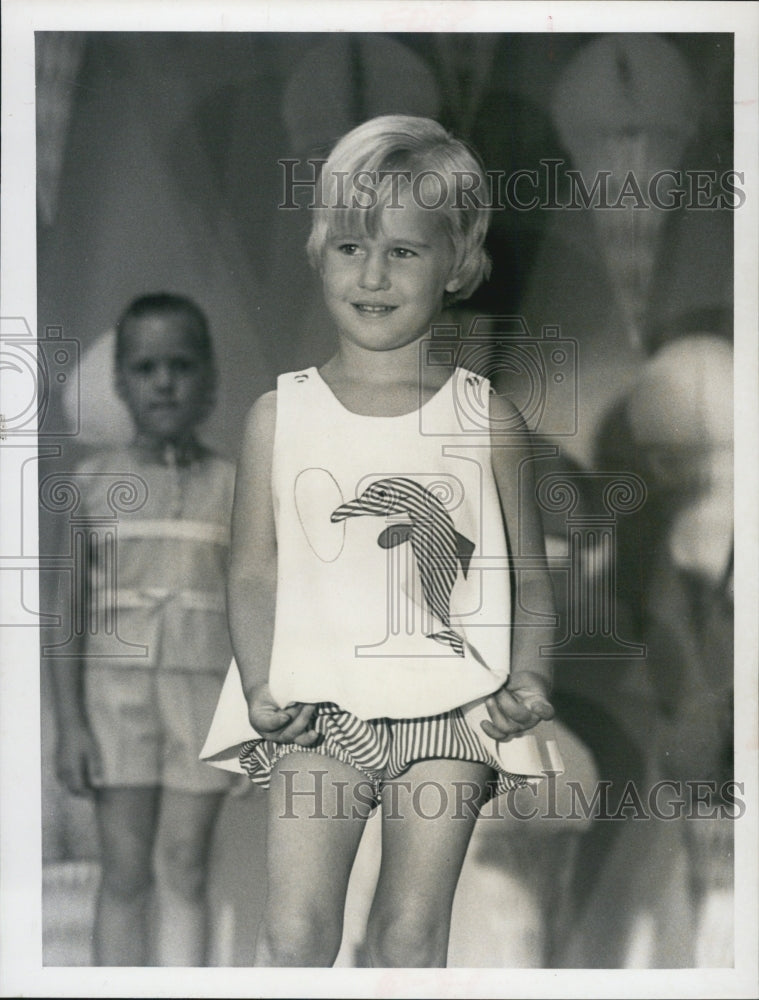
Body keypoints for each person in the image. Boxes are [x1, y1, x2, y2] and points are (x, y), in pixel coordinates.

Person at [202, 115, 561, 968]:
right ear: (320, 251)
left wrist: (532, 676)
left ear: (457, 266)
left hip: (452, 711)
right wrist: (259, 684)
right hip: (316, 714)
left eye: (403, 251)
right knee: (293, 936)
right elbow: (253, 573)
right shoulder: (277, 414)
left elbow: (531, 586)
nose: (372, 273)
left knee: (408, 935)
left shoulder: (486, 419)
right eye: (350, 247)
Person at [50, 293, 236, 966]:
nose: (164, 381)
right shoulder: (91, 485)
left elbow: (255, 610)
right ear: (121, 382)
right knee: (125, 874)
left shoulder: (235, 486)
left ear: (210, 378)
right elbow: (66, 618)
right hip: (115, 705)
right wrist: (70, 726)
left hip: (204, 701)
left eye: (182, 365)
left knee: (185, 866)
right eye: (146, 367)